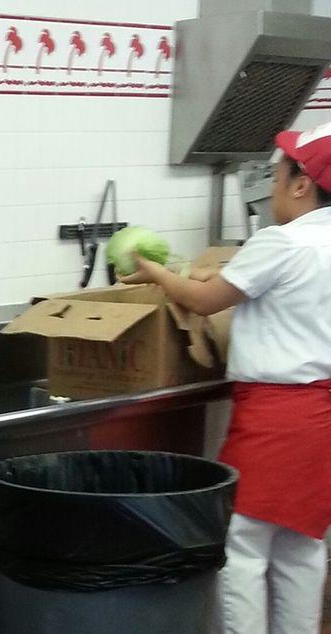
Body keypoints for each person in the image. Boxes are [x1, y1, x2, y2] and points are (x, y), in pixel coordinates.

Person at [120, 122, 331, 634]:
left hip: (276, 418)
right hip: (321, 417)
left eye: (277, 176)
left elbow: (203, 301)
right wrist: (193, 275)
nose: (273, 186)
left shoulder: (282, 242)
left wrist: (155, 271)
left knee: (241, 545)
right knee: (301, 546)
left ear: (301, 185)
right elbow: (249, 285)